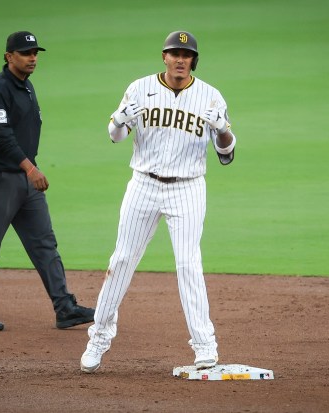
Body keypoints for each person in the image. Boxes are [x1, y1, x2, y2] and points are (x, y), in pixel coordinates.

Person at [80, 30, 236, 372]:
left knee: (188, 264)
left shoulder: (210, 97)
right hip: (143, 185)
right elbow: (115, 135)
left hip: (188, 188)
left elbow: (227, 155)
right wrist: (118, 121)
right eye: (174, 53)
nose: (180, 59)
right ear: (164, 57)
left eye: (186, 54)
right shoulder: (139, 88)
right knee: (121, 259)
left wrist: (223, 128)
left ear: (194, 60)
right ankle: (98, 339)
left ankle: (204, 346)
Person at [0, 31, 94, 331]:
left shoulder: (25, 86)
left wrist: (28, 171)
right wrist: (30, 168)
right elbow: (1, 137)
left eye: (35, 52)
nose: (32, 57)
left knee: (44, 243)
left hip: (25, 180)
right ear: (9, 56)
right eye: (25, 53)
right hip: (1, 178)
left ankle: (65, 307)